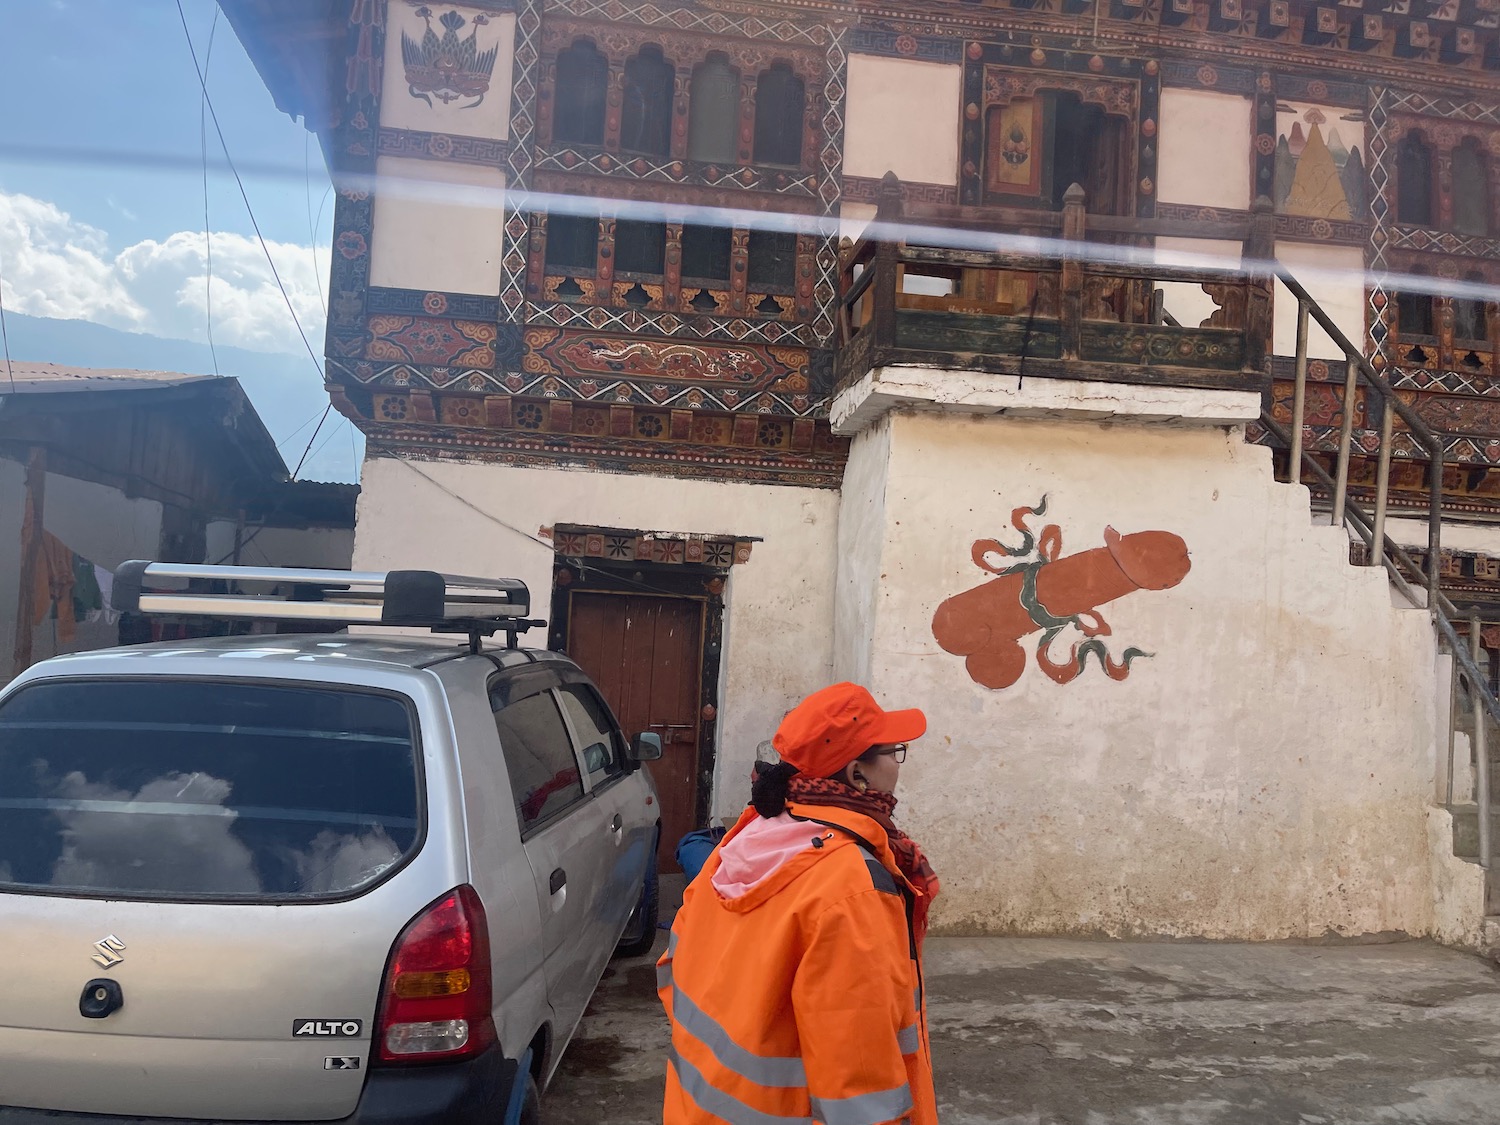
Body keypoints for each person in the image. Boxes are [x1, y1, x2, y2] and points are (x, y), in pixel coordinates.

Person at [657, 682, 940, 1125]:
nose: (897, 763)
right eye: (893, 750)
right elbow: (859, 1081)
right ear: (856, 773)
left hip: (695, 1106)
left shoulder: (745, 839)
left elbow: (675, 969)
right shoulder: (854, 888)